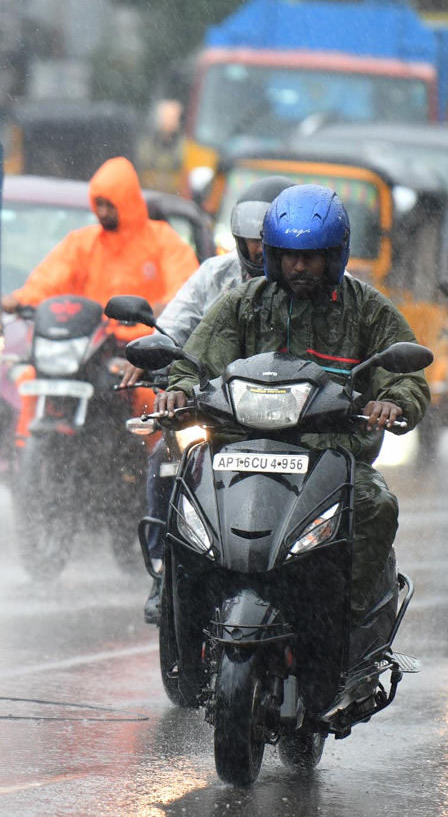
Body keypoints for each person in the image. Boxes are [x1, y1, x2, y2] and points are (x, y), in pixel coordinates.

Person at [155, 184, 429, 620]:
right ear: (272, 256)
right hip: (238, 455)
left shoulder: (366, 308)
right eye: (289, 256)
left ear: (334, 255)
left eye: (311, 256)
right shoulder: (243, 304)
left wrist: (393, 402)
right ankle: (186, 615)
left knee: (376, 505)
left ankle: (348, 616)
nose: (299, 266)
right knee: (183, 491)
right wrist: (178, 389)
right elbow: (194, 361)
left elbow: (406, 374)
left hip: (331, 460)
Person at [123, 175, 296, 624]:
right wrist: (149, 355)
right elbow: (175, 330)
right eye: (253, 241)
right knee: (168, 456)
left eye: (270, 241)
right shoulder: (214, 277)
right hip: (220, 414)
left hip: (297, 420)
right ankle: (166, 568)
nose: (261, 251)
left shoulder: (331, 288)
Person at [1, 156, 199, 318]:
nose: (103, 212)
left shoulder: (163, 240)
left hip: (143, 349)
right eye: (99, 204)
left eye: (110, 205)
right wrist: (21, 299)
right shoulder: (83, 243)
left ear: (127, 202)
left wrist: (165, 307)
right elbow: (50, 278)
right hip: (89, 344)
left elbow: (184, 283)